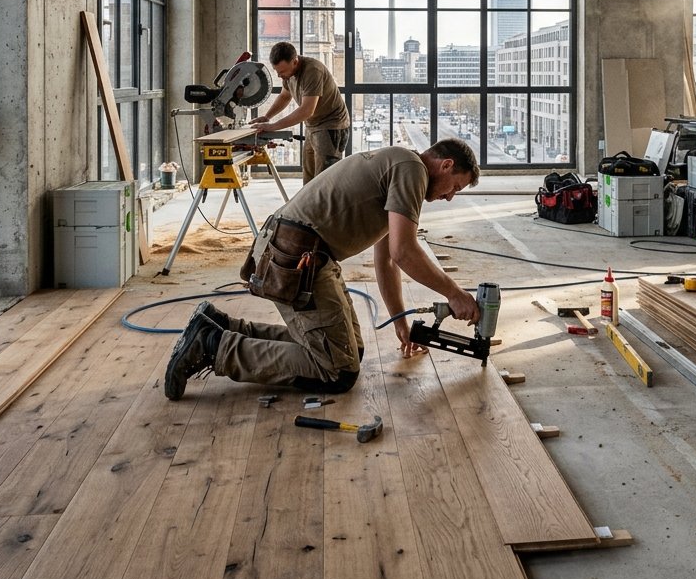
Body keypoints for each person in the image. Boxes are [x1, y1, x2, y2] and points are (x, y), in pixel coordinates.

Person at [163, 138, 481, 401]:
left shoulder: (401, 165)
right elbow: (405, 251)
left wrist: (400, 322)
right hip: (297, 255)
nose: (451, 197)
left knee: (349, 352)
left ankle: (219, 325)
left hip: (303, 252)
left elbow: (386, 258)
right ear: (446, 165)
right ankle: (212, 345)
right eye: (456, 187)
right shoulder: (411, 170)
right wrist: (455, 294)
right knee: (337, 371)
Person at [252, 41, 350, 184]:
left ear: (295, 61)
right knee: (309, 177)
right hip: (313, 125)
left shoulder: (312, 71)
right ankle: (309, 206)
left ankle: (325, 206)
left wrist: (273, 127)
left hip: (331, 125)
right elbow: (285, 96)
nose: (280, 76)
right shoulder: (288, 74)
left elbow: (306, 110)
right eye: (277, 72)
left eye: (282, 71)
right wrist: (267, 117)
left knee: (325, 180)